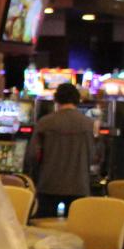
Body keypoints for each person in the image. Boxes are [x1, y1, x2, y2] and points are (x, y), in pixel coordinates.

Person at [26, 82, 95, 218]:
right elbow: (94, 156)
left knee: (45, 231)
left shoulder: (45, 122)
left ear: (56, 99)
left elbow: (33, 155)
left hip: (49, 184)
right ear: (78, 99)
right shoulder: (89, 124)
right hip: (79, 185)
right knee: (76, 229)